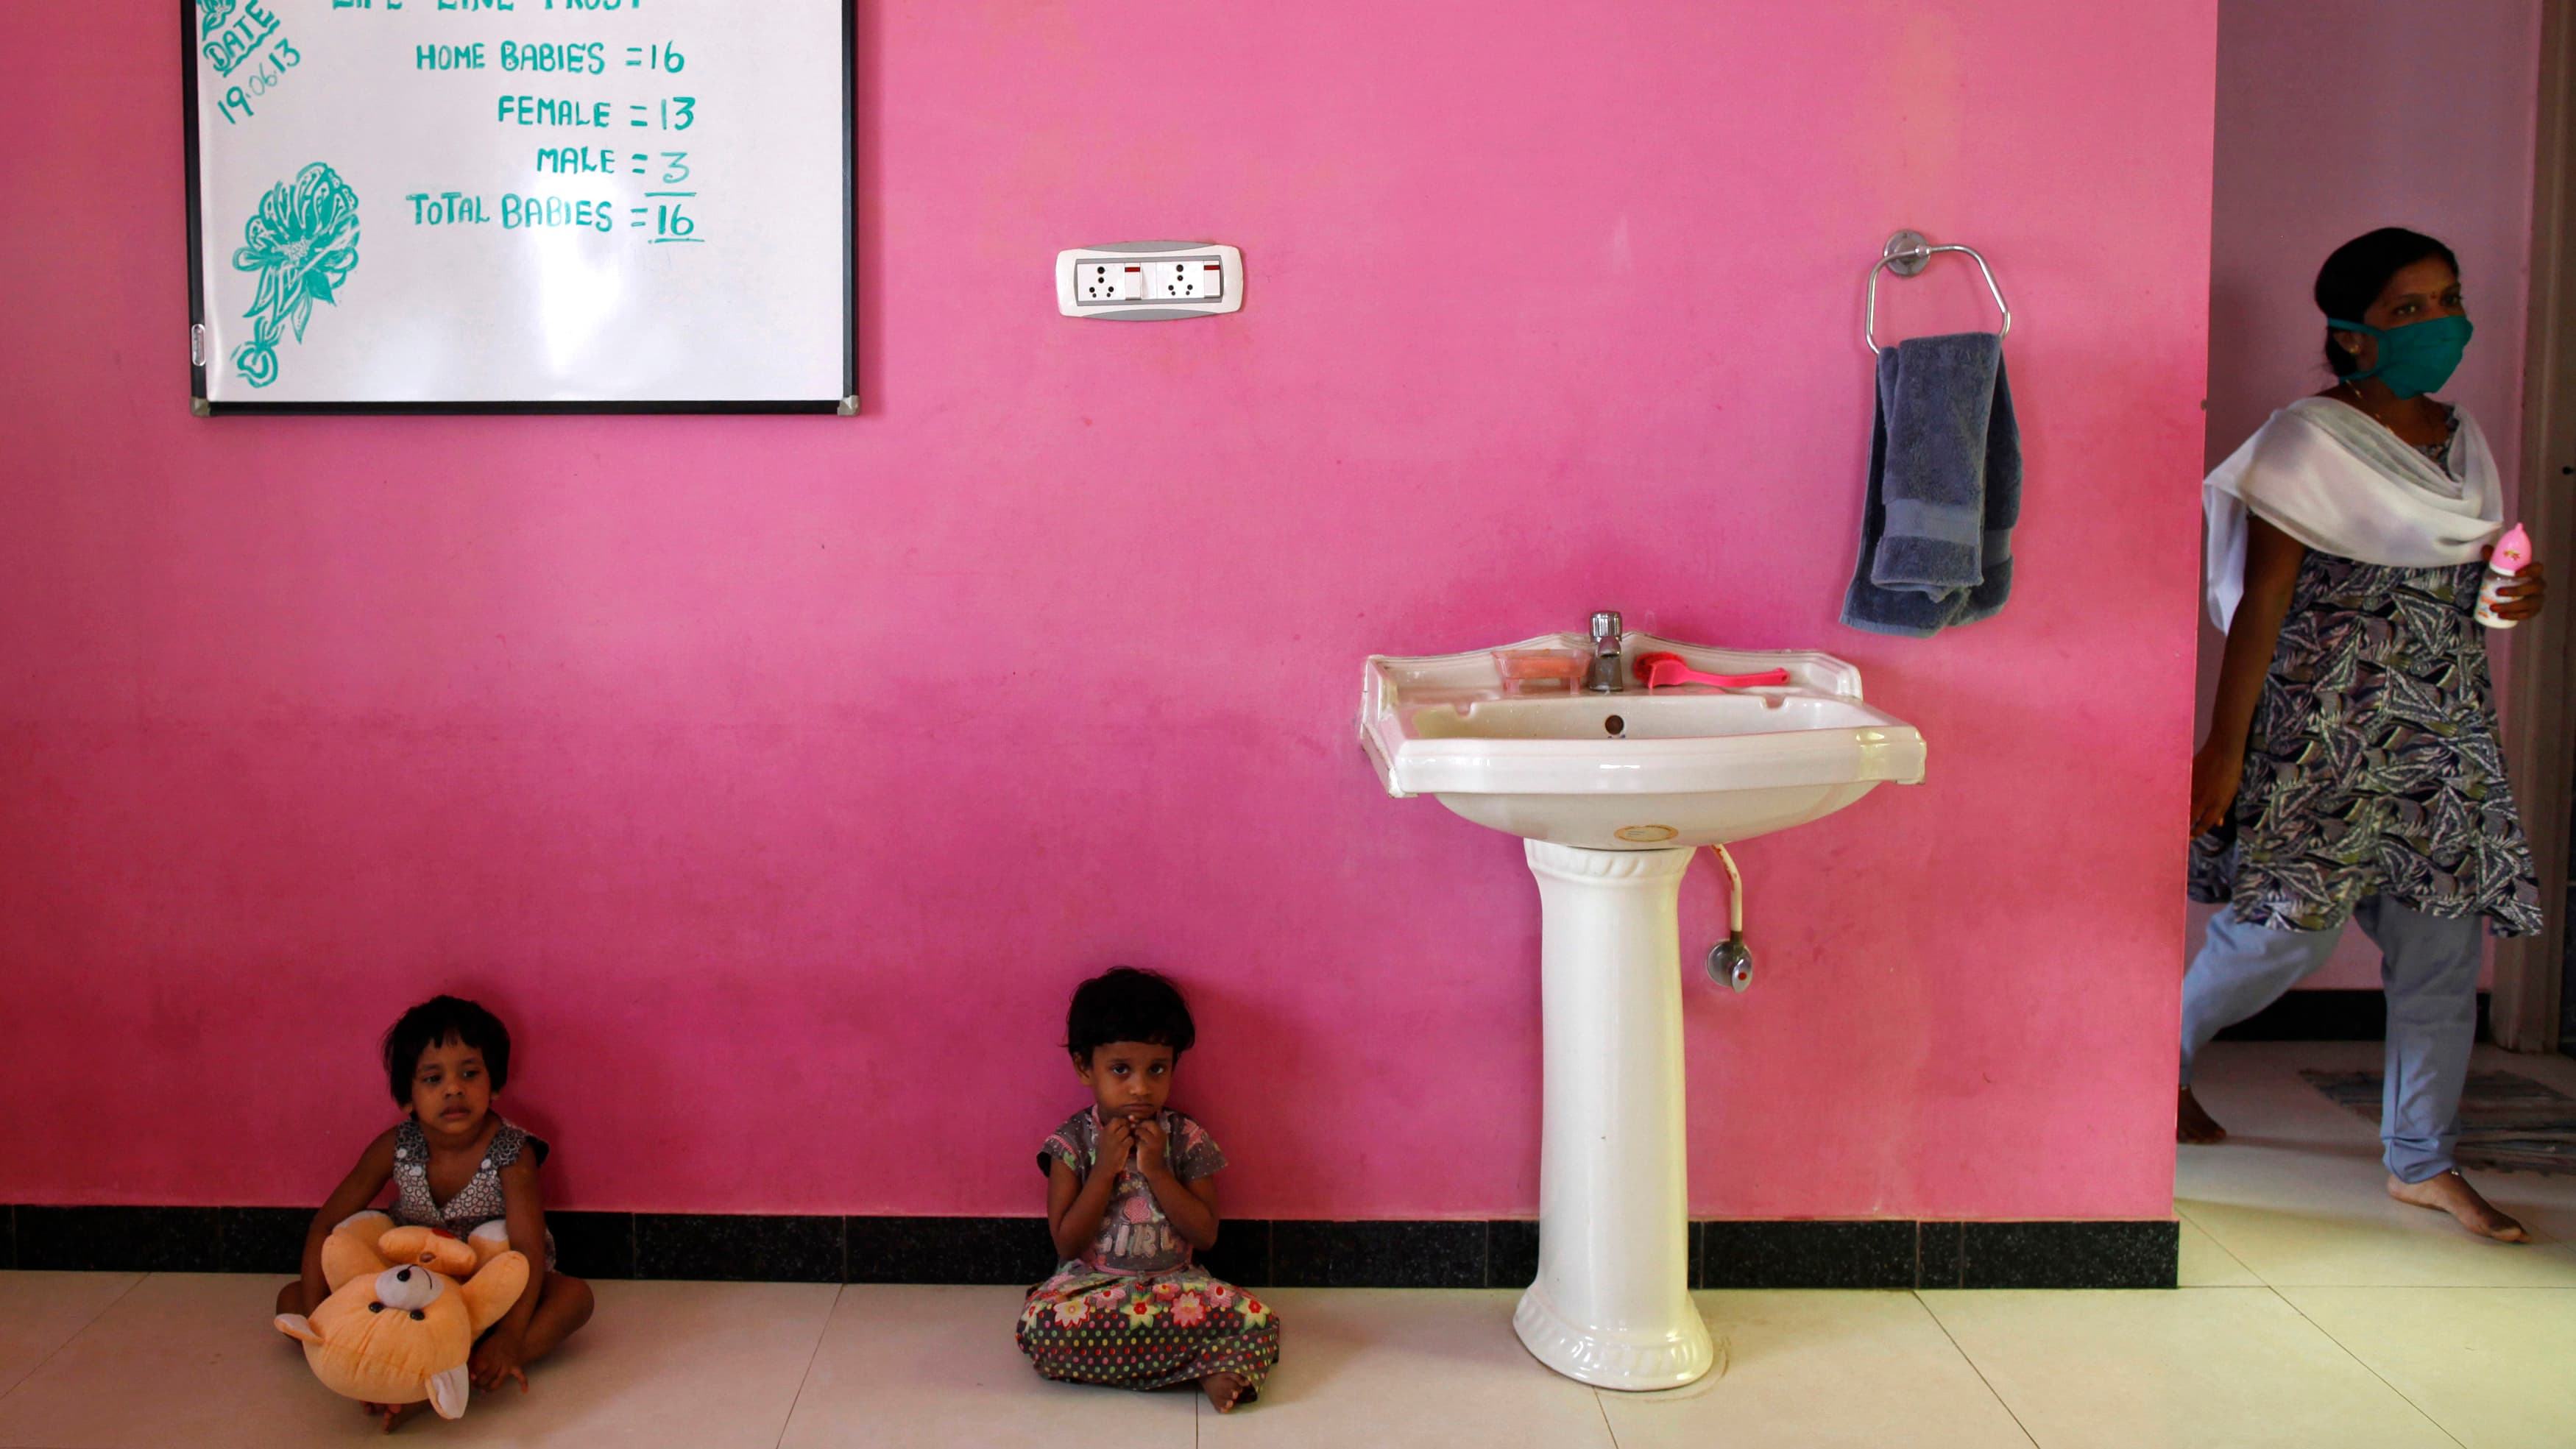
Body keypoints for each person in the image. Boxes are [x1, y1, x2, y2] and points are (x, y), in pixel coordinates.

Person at [2179, 228, 2547, 1241]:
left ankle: (2423, 1160)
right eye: (2409, 309)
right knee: (2281, 936)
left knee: (2442, 943)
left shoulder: (2461, 442)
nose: (2442, 323)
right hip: (2323, 728)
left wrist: (2520, 595)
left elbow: (2478, 592)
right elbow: (2263, 607)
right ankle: (2150, 1064)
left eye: (2449, 298)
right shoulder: (2306, 441)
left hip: (2443, 729)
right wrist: (2222, 750)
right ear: (2351, 338)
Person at [276, 995, 595, 1428]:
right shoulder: (395, 1146)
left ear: (495, 1083)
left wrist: (510, 1336)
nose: (453, 1089)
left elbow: (527, 1251)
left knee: (574, 1299)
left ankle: (455, 1375)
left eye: (470, 1074)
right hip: (411, 1291)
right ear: (407, 1097)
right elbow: (325, 1225)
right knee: (291, 1299)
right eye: (432, 1078)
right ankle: (400, 1372)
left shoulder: (512, 1154)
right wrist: (321, 1324)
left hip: (484, 1292)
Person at [1015, 967, 1279, 1412]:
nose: (1140, 1087)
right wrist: (1103, 1172)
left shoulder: (1188, 1138)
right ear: (1085, 1066)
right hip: (1094, 1292)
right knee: (1042, 1329)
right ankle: (1198, 1367)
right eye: (1121, 1069)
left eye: (1157, 1069)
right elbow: (1066, 1242)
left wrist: (1157, 1172)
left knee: (1259, 1321)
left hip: (1176, 1291)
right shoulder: (1071, 1143)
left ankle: (1142, 1364)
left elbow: (1206, 1235)